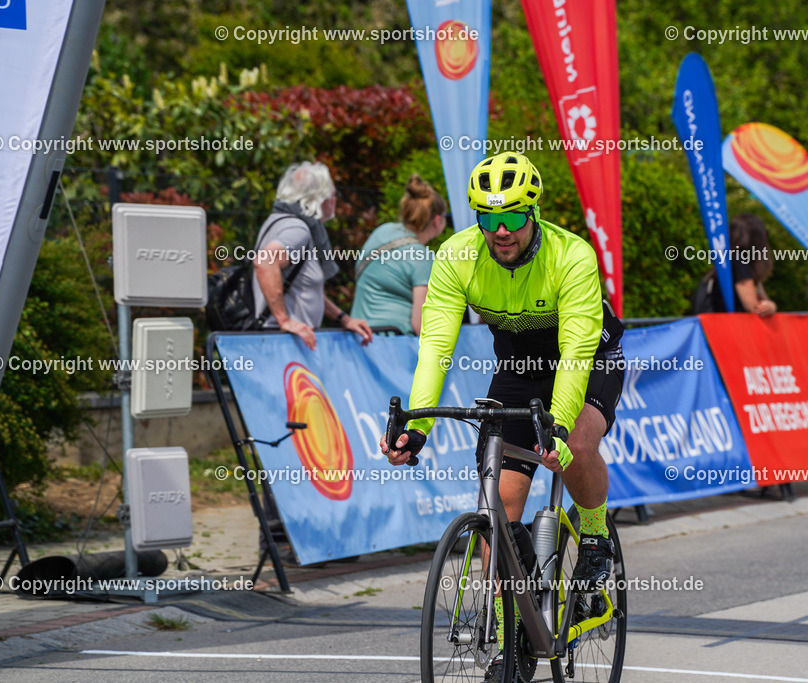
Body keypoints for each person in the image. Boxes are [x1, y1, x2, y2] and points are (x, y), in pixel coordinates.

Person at [379, 153, 625, 678]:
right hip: (518, 366)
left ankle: (596, 538)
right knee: (498, 509)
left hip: (586, 357)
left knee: (579, 443)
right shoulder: (457, 255)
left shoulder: (571, 256)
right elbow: (436, 347)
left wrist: (558, 427)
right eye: (489, 218)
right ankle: (516, 634)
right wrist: (417, 426)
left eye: (513, 216)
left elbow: (576, 353)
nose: (502, 230)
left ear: (533, 213)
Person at [252, 161, 373, 349]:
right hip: (285, 344)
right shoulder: (298, 229)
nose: (335, 200)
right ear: (321, 198)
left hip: (283, 341)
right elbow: (265, 262)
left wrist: (343, 319)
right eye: (333, 194)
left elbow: (304, 288)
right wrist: (285, 321)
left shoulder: (277, 221)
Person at [351, 174, 448, 335]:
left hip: (359, 336)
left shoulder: (381, 231)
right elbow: (421, 324)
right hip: (396, 340)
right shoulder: (423, 258)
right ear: (437, 221)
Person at [692, 213, 777, 316]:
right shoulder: (739, 261)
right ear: (758, 238)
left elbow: (763, 300)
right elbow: (753, 307)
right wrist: (771, 306)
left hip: (717, 322)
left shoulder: (730, 260)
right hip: (730, 323)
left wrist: (771, 306)